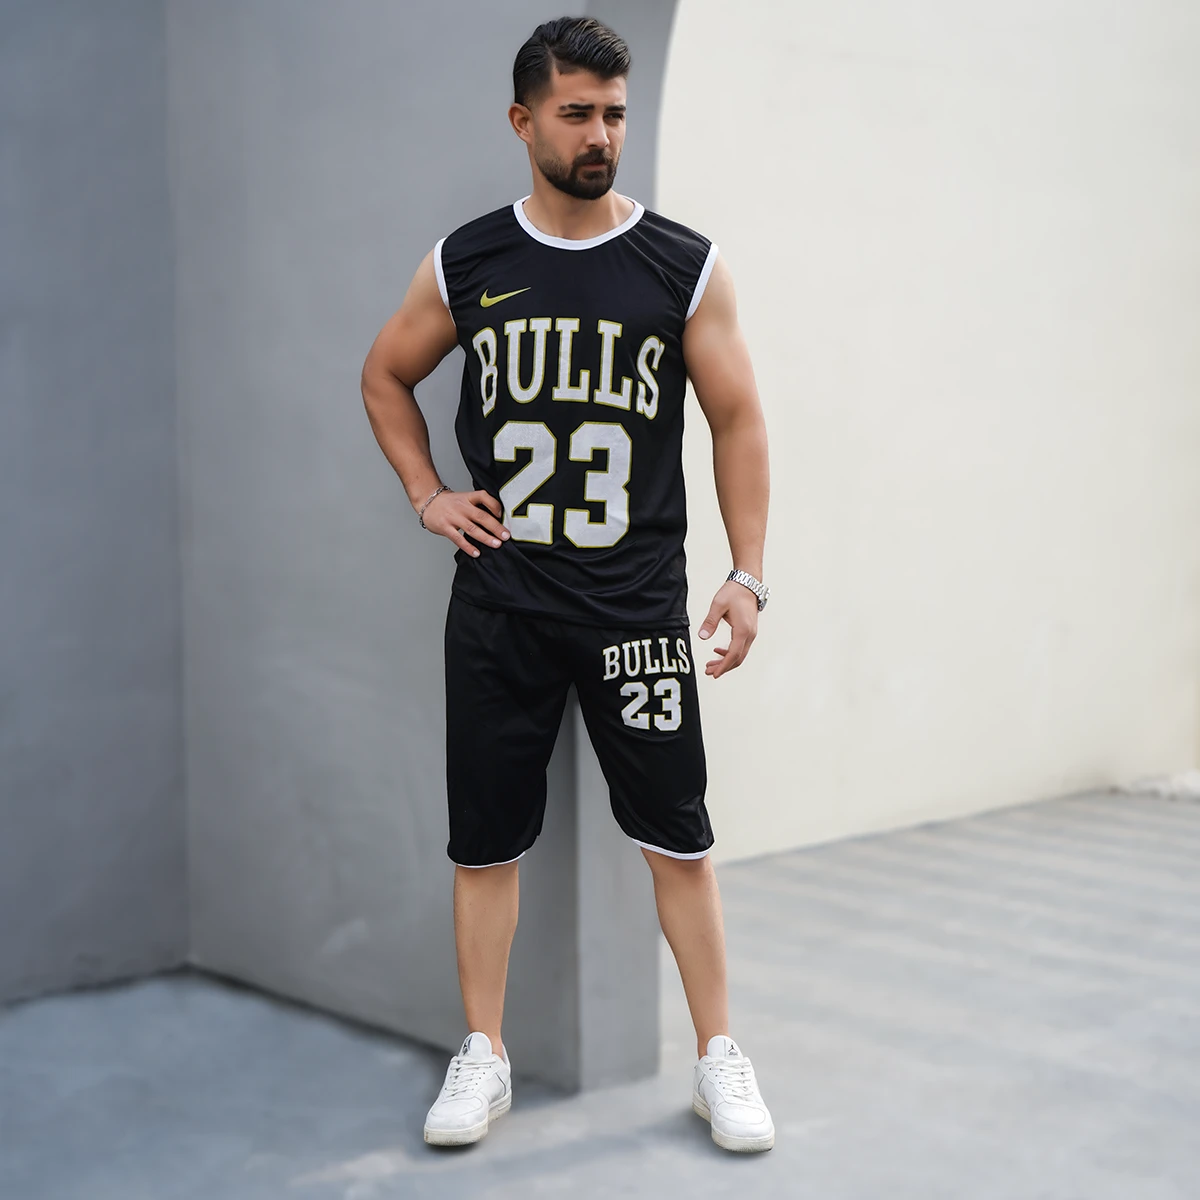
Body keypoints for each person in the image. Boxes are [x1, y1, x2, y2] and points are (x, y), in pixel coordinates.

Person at [360, 16, 773, 1154]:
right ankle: (484, 1053)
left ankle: (720, 1056)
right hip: (502, 605)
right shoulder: (468, 261)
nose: (601, 135)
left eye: (615, 114)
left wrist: (747, 573)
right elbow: (385, 374)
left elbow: (739, 418)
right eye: (577, 113)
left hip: (637, 609)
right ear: (523, 120)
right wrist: (427, 494)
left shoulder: (681, 265)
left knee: (679, 840)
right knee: (484, 843)